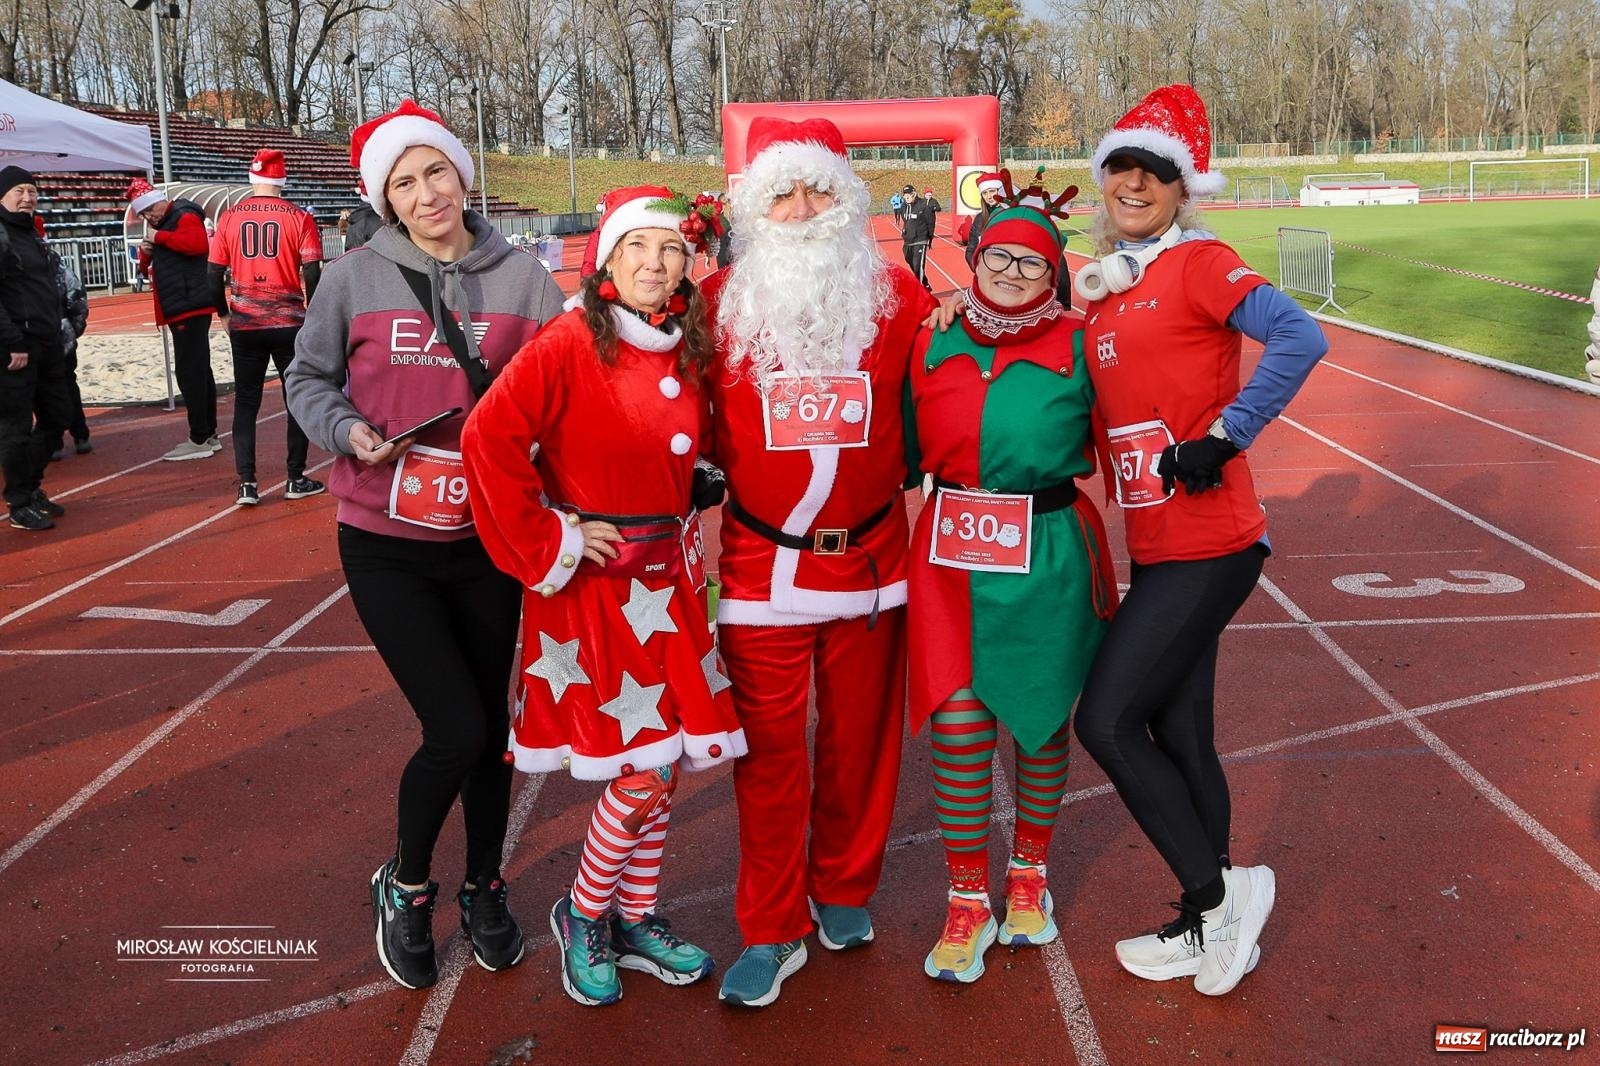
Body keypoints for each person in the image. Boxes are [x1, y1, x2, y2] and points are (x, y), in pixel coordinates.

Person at [283, 100, 567, 991]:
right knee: (455, 726)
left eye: (435, 171)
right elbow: (307, 376)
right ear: (386, 199)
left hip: (489, 538)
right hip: (385, 540)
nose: (426, 192)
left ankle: (485, 885)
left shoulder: (526, 283)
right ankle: (406, 883)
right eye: (403, 183)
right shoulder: (355, 276)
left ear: (462, 173)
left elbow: (573, 391)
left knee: (492, 739)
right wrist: (347, 432)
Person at [1070, 84, 1327, 997]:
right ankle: (1206, 920)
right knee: (1179, 732)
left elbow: (1301, 336)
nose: (1134, 184)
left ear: (1185, 190)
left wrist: (1228, 432)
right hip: (1158, 545)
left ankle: (1220, 898)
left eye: (1156, 173)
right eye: (1121, 169)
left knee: (1103, 721)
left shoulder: (1200, 264)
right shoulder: (1106, 293)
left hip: (1212, 540)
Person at [461, 185, 744, 1007]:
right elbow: (490, 437)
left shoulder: (682, 344)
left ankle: (635, 914)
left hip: (674, 581)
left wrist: (696, 475)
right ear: (608, 259)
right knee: (645, 770)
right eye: (638, 249)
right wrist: (553, 538)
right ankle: (584, 913)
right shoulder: (567, 342)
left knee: (666, 764)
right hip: (596, 590)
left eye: (671, 250)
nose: (656, 264)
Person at [702, 116, 935, 1007]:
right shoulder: (715, 301)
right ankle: (770, 926)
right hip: (761, 570)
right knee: (769, 759)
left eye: (819, 189)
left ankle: (842, 887)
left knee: (861, 747)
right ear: (756, 208)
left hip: (875, 558)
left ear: (849, 197)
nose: (802, 209)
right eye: (782, 193)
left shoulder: (902, 300)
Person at [906, 199, 1117, 983]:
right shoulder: (928, 340)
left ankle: (1029, 874)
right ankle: (966, 895)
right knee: (957, 723)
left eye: (1032, 262)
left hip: (1046, 554)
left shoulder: (1084, 341)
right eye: (998, 258)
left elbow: (1132, 430)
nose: (1013, 274)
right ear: (976, 259)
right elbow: (896, 444)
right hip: (950, 557)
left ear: (1053, 269)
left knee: (1035, 721)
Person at [208, 148, 326, 506]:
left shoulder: (229, 217)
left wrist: (224, 314)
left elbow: (213, 273)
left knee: (246, 402)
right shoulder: (299, 217)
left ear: (252, 178)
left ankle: (247, 482)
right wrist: (312, 311)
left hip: (245, 321)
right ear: (282, 180)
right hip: (289, 320)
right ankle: (295, 476)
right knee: (296, 399)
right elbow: (312, 271)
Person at [0, 166, 72, 531]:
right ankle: (19, 502)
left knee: (58, 416)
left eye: (32, 191)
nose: (27, 197)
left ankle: (29, 485)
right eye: (19, 191)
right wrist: (11, 342)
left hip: (47, 342)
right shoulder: (2, 235)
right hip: (16, 349)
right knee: (15, 429)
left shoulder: (31, 233)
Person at [129, 178, 221, 462]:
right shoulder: (167, 223)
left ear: (157, 204)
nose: (148, 219)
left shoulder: (184, 215)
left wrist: (158, 238)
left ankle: (200, 436)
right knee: (197, 370)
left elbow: (197, 245)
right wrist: (146, 252)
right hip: (182, 304)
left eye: (148, 213)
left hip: (188, 305)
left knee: (190, 372)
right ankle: (207, 433)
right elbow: (148, 265)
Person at [50, 256, 92, 461]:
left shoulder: (16, 261)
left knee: (44, 391)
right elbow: (77, 297)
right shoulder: (55, 263)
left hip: (42, 335)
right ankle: (80, 435)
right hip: (61, 333)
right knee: (67, 384)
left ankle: (55, 441)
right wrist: (73, 329)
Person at [957, 172, 1006, 266]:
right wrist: (976, 268)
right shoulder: (979, 219)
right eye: (984, 193)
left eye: (992, 191)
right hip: (985, 276)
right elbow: (971, 249)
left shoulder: (1011, 214)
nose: (989, 196)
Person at [901, 184, 934, 290]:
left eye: (909, 194)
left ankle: (920, 292)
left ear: (914, 194)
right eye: (905, 195)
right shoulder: (904, 207)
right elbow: (906, 220)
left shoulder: (923, 205)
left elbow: (931, 222)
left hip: (920, 240)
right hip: (908, 241)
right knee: (910, 261)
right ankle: (925, 284)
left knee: (917, 266)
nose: (907, 197)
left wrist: (929, 237)